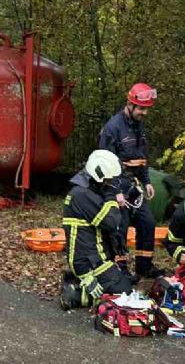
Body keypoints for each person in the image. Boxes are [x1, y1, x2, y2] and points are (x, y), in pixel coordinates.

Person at [98, 82, 161, 278]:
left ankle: (144, 265)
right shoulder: (112, 128)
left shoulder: (139, 128)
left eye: (146, 109)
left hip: (133, 184)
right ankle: (120, 268)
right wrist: (115, 191)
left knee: (148, 223)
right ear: (130, 104)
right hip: (116, 185)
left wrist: (147, 180)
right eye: (141, 108)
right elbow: (104, 161)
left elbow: (141, 157)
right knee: (121, 225)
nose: (144, 113)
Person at [60, 150, 135, 309]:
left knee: (126, 283)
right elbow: (111, 221)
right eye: (108, 180)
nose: (110, 183)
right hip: (89, 262)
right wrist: (112, 196)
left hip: (92, 257)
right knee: (124, 294)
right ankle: (76, 294)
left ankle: (75, 282)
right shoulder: (82, 195)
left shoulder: (84, 191)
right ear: (98, 174)